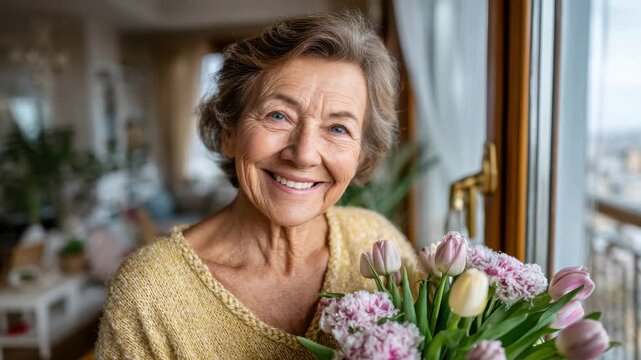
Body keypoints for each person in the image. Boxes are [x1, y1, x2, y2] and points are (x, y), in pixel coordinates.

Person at [96, 11, 419, 359]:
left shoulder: (378, 245)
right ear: (228, 132)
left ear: (360, 154)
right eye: (278, 115)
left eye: (338, 128)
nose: (304, 154)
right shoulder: (148, 292)